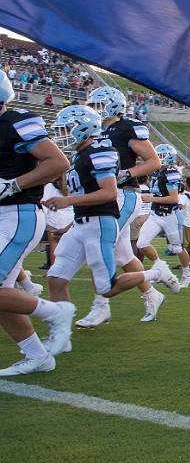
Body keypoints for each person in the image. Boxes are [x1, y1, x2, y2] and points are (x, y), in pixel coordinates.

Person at [44, 106, 176, 337]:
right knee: (59, 276)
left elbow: (109, 191)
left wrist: (67, 201)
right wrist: (69, 223)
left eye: (67, 128)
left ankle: (150, 277)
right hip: (84, 219)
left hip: (108, 211)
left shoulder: (102, 148)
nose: (62, 134)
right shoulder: (81, 153)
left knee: (107, 280)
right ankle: (61, 335)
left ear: (83, 128)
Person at [0, 71, 75, 375]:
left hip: (18, 213)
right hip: (6, 214)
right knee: (3, 292)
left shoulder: (15, 121)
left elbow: (59, 162)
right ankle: (38, 356)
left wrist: (13, 185)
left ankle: (56, 312)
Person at [73, 86, 165, 328]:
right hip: (104, 196)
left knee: (99, 247)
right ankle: (152, 294)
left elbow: (154, 162)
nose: (95, 108)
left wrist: (126, 173)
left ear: (114, 104)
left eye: (99, 103)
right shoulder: (94, 129)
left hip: (123, 195)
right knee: (123, 253)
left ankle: (100, 307)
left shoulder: (126, 127)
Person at [135, 144, 190, 295]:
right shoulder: (156, 172)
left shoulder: (171, 173)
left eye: (160, 156)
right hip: (155, 215)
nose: (156, 159)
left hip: (169, 216)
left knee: (177, 248)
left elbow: (174, 198)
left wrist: (151, 198)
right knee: (141, 243)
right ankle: (160, 267)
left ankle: (187, 274)